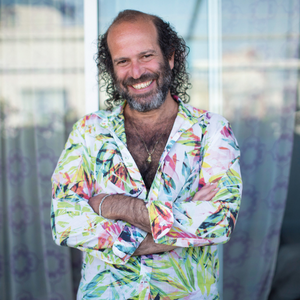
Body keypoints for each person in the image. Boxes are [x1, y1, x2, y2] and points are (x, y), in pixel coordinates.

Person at [51, 9, 242, 300]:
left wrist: (112, 205)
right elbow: (64, 221)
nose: (136, 72)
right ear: (111, 69)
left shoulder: (212, 131)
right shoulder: (88, 132)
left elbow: (219, 221)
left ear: (171, 57)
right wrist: (183, 224)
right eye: (123, 61)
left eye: (146, 56)